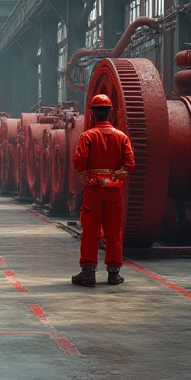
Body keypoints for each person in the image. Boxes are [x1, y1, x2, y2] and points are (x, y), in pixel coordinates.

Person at [71, 94, 135, 287]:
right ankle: (114, 273)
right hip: (114, 191)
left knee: (90, 230)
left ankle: (88, 272)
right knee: (114, 231)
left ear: (93, 114)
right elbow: (129, 163)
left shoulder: (88, 136)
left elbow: (79, 162)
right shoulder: (121, 137)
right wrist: (115, 179)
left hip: (94, 191)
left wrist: (89, 180)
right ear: (109, 113)